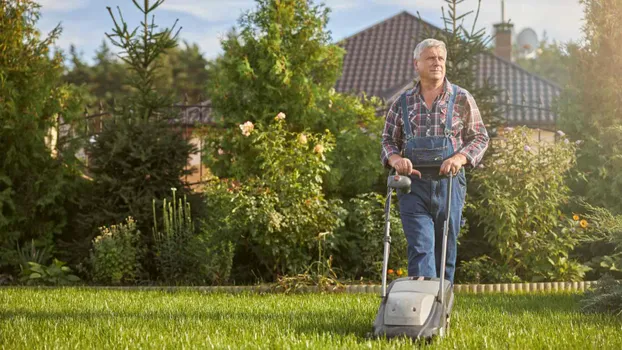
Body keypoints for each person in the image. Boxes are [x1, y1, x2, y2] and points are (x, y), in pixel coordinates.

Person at [380, 38, 489, 283]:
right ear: (416, 64)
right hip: (412, 185)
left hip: (449, 183)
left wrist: (460, 157)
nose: (437, 63)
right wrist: (396, 158)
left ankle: (441, 309)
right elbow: (387, 140)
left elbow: (481, 137)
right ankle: (421, 309)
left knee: (445, 249)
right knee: (421, 246)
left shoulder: (461, 98)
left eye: (441, 58)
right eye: (430, 58)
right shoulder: (402, 102)